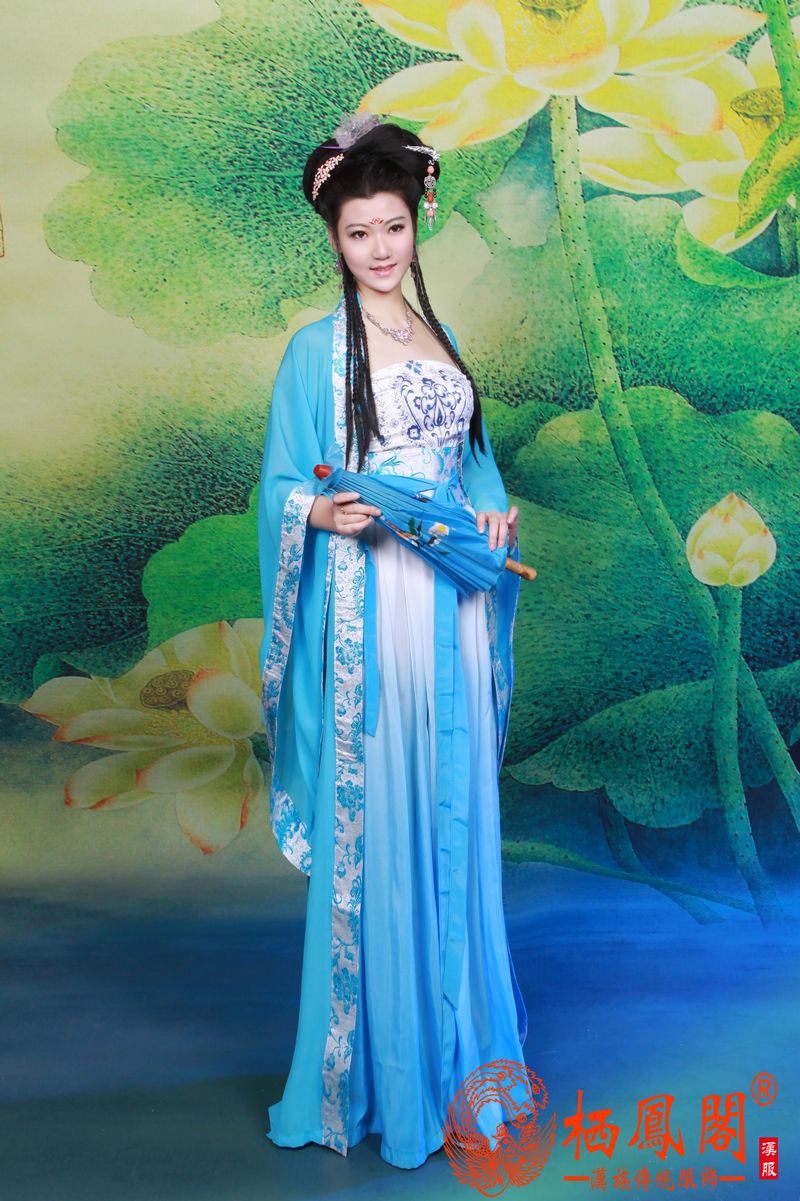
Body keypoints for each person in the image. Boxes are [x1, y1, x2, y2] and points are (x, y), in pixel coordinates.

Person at [257, 113, 527, 1171]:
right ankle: (387, 1079)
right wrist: (323, 515)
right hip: (375, 616)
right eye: (358, 232)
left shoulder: (438, 336)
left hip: (452, 603)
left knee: (452, 811)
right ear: (333, 237)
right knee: (392, 817)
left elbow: (471, 464)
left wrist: (493, 513)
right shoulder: (314, 354)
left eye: (393, 226)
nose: (379, 248)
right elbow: (284, 485)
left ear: (419, 220)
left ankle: (464, 1061)